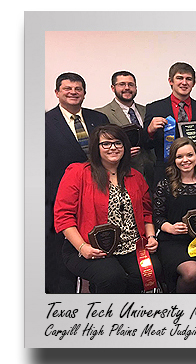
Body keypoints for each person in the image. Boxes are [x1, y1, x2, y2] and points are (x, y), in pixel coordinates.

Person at [53, 124, 161, 293]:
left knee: (150, 272)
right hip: (91, 248)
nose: (113, 148)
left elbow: (147, 212)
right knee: (112, 277)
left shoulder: (136, 177)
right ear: (96, 147)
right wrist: (83, 248)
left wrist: (151, 236)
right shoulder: (78, 173)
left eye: (118, 143)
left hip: (132, 246)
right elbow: (63, 217)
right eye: (106, 144)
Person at [46, 72, 109, 293]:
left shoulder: (99, 119)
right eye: (67, 89)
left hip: (99, 197)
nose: (73, 92)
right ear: (57, 93)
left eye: (78, 89)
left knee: (100, 257)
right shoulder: (44, 122)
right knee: (59, 262)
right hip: (57, 200)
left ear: (84, 93)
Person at [153, 137, 196, 293]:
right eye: (179, 156)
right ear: (173, 160)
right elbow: (157, 217)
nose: (185, 160)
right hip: (174, 241)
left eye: (189, 155)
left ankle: (194, 294)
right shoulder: (164, 185)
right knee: (191, 272)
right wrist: (169, 228)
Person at [143, 62, 196, 184]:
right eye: (179, 78)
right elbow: (146, 145)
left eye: (188, 79)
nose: (184, 82)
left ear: (193, 83)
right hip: (164, 170)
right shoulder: (154, 108)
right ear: (170, 81)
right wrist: (150, 131)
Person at [96, 71, 155, 188]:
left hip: (151, 172)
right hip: (122, 174)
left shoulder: (148, 110)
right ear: (113, 88)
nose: (127, 88)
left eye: (131, 85)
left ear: (136, 88)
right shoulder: (102, 114)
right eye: (122, 84)